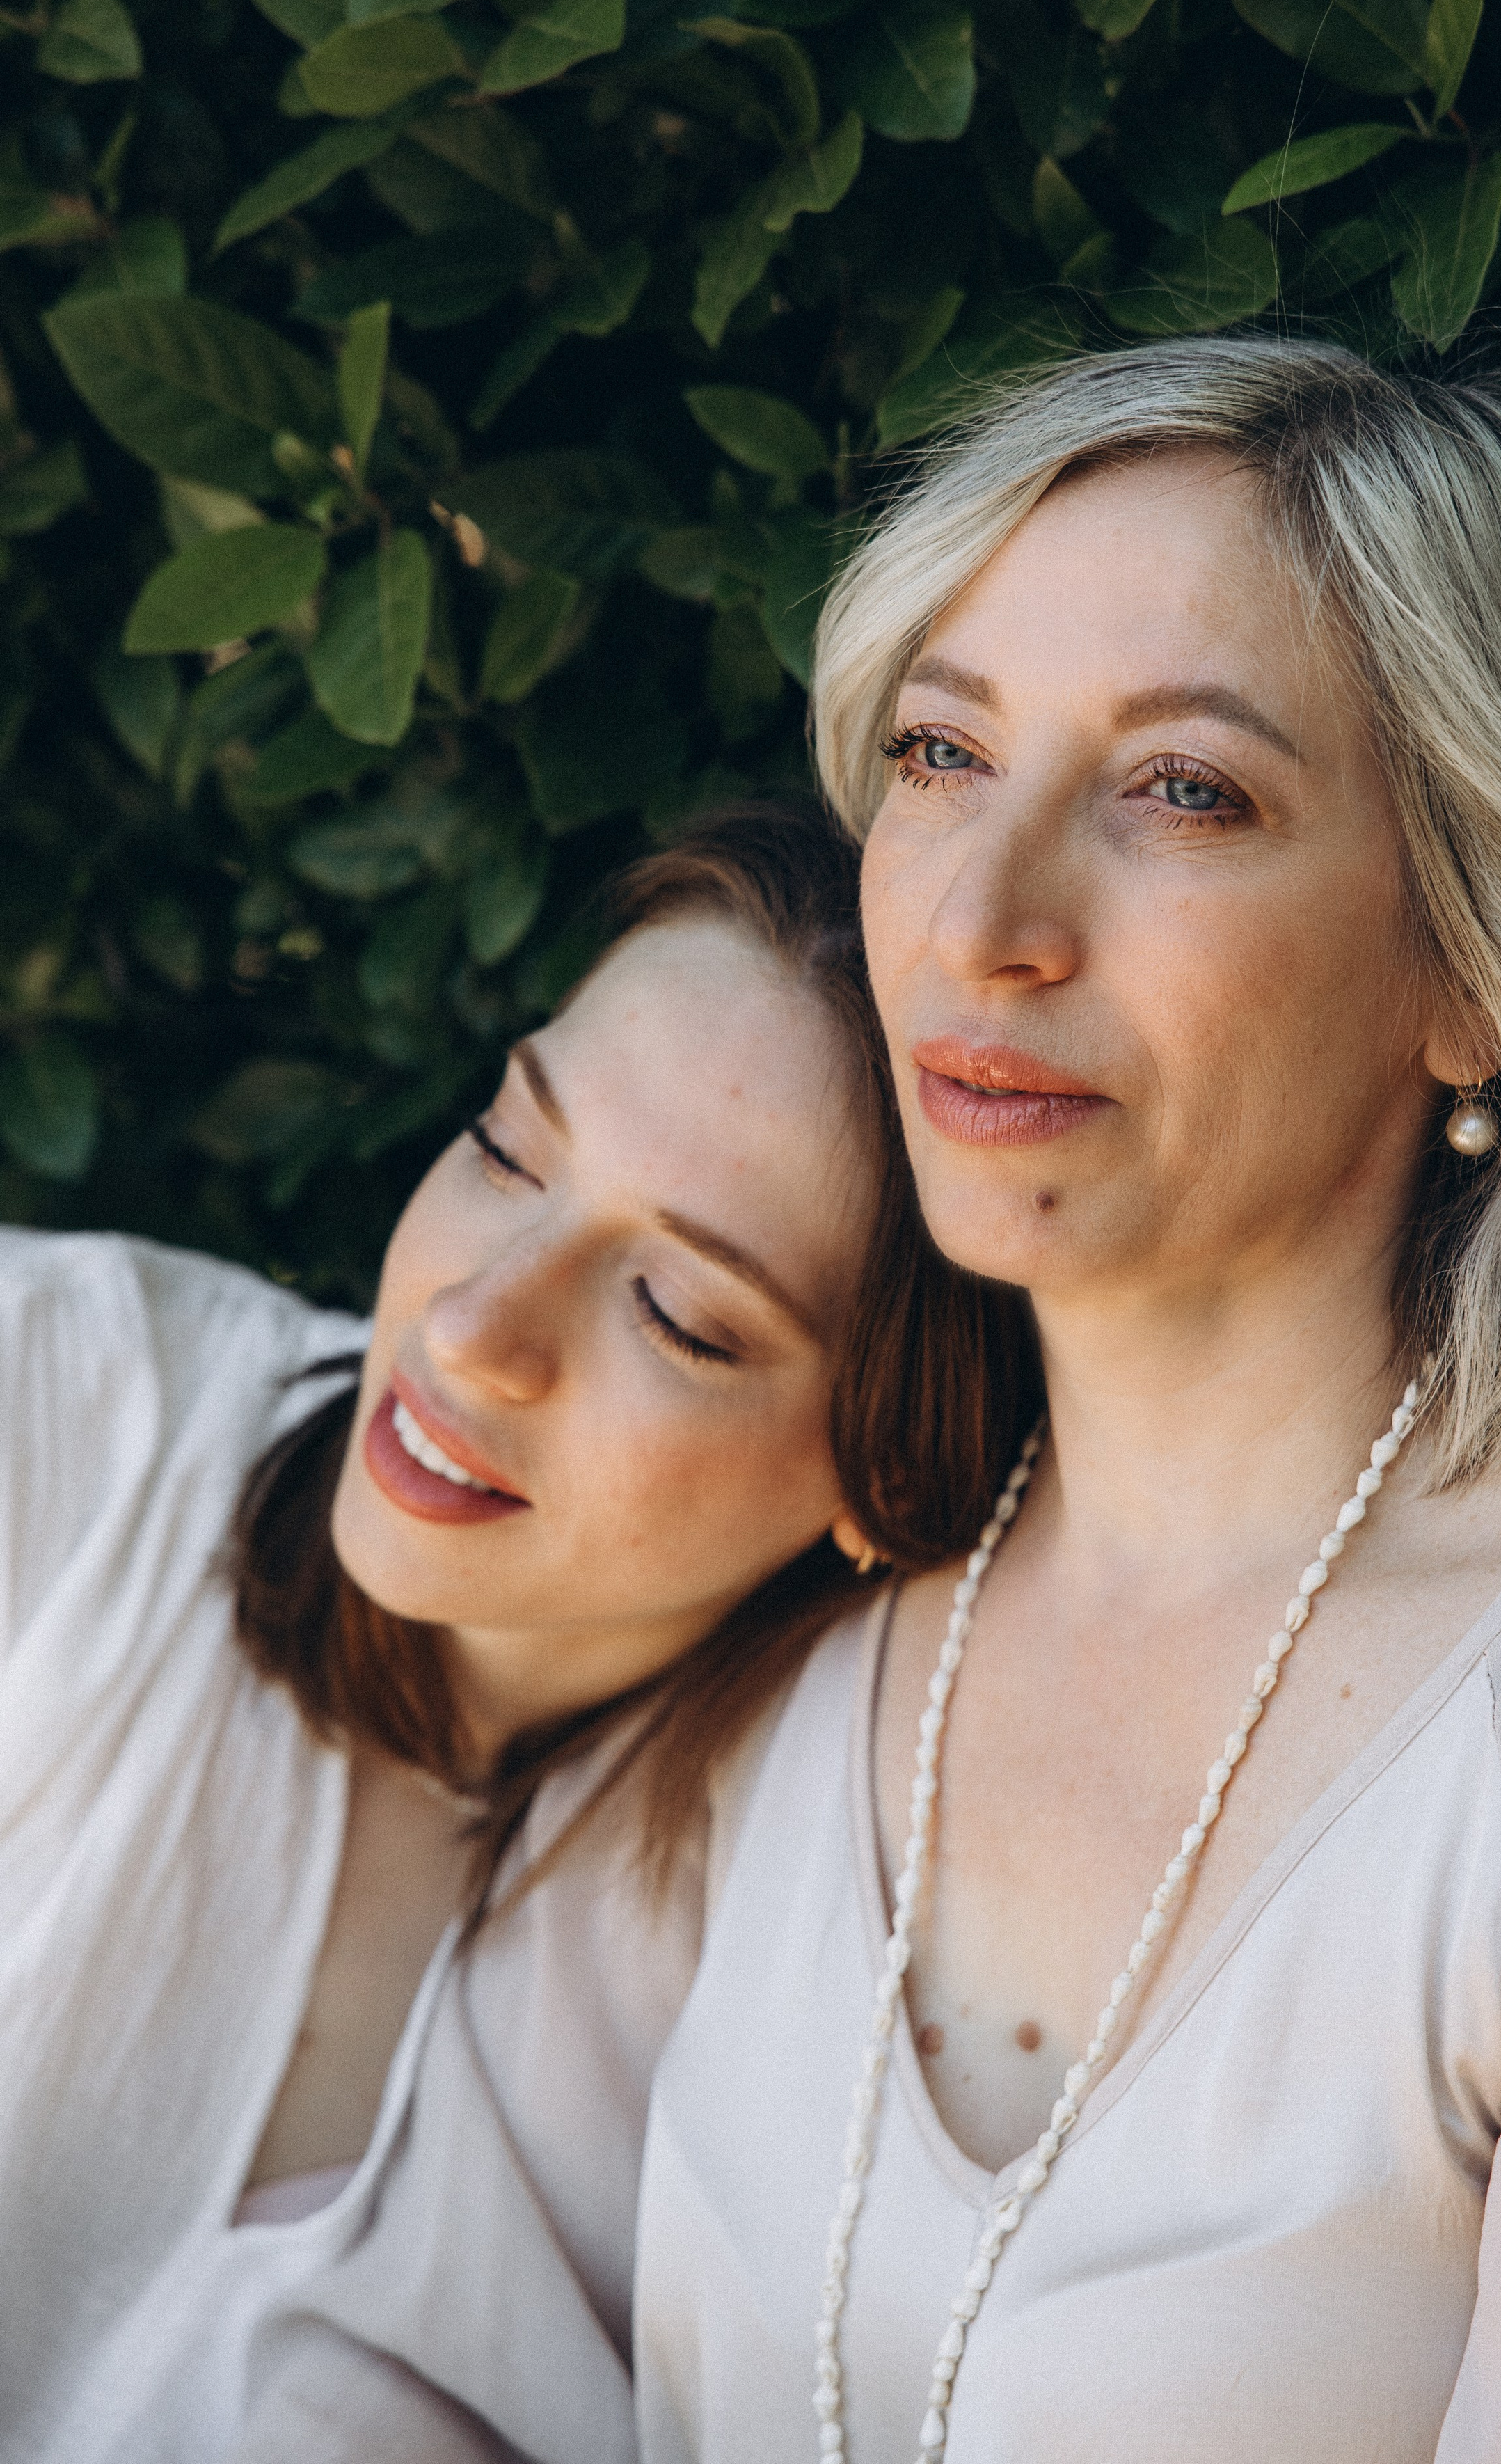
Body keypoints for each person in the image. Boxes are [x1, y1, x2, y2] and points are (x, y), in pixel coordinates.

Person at [628, 339, 1501, 2464]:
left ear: (1485, 968)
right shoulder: (815, 1618)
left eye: (1187, 791)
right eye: (942, 753)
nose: (983, 924)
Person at [0, 799, 1033, 2464]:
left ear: (887, 1473)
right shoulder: (65, 1402)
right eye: (505, 1148)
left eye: (678, 1317)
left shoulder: (821, 1930)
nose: (474, 1330)